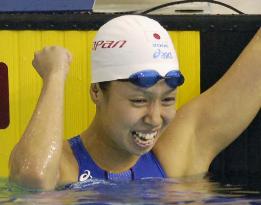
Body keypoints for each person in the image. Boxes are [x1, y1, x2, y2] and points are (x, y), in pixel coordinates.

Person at [9, 15, 261, 190]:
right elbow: (33, 179)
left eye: (168, 100)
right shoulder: (65, 166)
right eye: (139, 100)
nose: (154, 118)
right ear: (97, 92)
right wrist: (54, 76)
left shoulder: (178, 153)